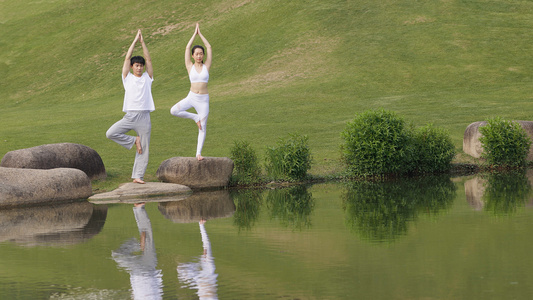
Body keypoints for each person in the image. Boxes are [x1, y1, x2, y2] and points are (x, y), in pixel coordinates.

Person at [106, 29, 155, 184]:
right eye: (136, 65)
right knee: (111, 133)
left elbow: (149, 60)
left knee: (145, 148)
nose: (139, 68)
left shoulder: (148, 78)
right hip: (130, 116)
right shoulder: (127, 78)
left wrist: (143, 42)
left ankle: (137, 176)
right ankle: (134, 140)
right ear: (132, 67)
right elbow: (127, 58)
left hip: (144, 117)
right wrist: (134, 41)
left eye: (141, 65)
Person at [170, 23, 212, 161]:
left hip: (203, 100)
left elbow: (209, 47)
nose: (199, 56)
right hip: (191, 97)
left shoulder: (207, 66)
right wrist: (195, 33)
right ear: (193, 56)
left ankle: (198, 153)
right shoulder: (190, 66)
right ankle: (195, 118)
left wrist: (202, 35)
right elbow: (187, 47)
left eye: (201, 54)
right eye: (197, 54)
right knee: (173, 111)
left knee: (203, 127)